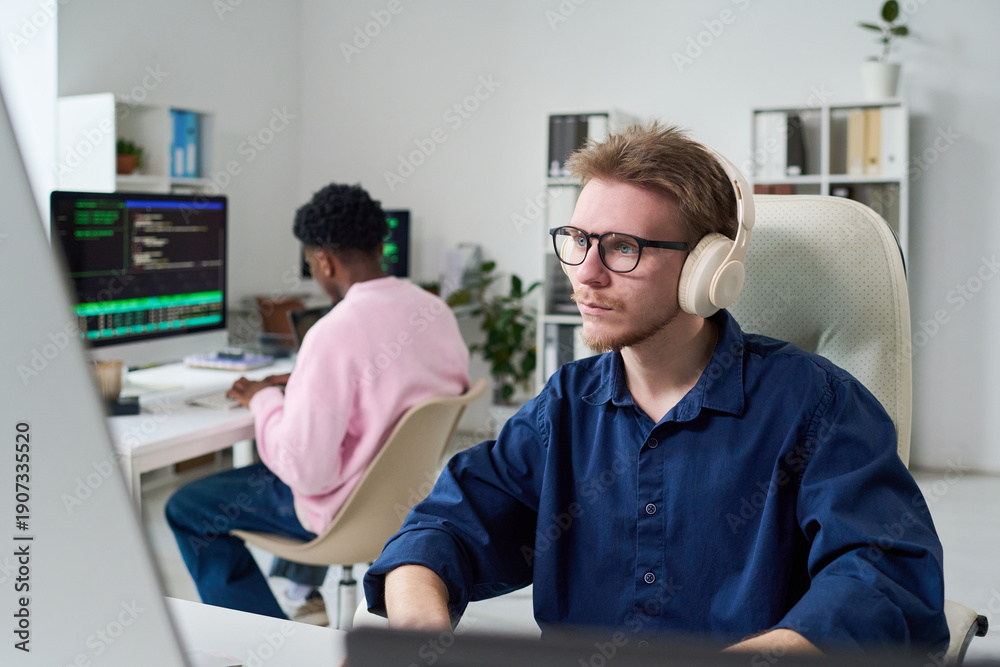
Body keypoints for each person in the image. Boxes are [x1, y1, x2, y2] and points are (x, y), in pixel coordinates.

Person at [362, 123, 949, 654]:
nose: (586, 273)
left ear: (707, 270)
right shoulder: (567, 404)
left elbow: (883, 575)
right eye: (578, 239)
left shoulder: (817, 405)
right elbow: (441, 530)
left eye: (623, 247)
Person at [166, 183, 469, 621]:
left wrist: (266, 398)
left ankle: (266, 645)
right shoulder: (434, 311)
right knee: (318, 447)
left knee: (188, 507)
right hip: (409, 497)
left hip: (343, 510)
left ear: (324, 262)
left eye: (311, 263)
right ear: (379, 244)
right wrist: (307, 383)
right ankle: (302, 593)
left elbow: (305, 470)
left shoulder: (332, 332)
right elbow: (402, 384)